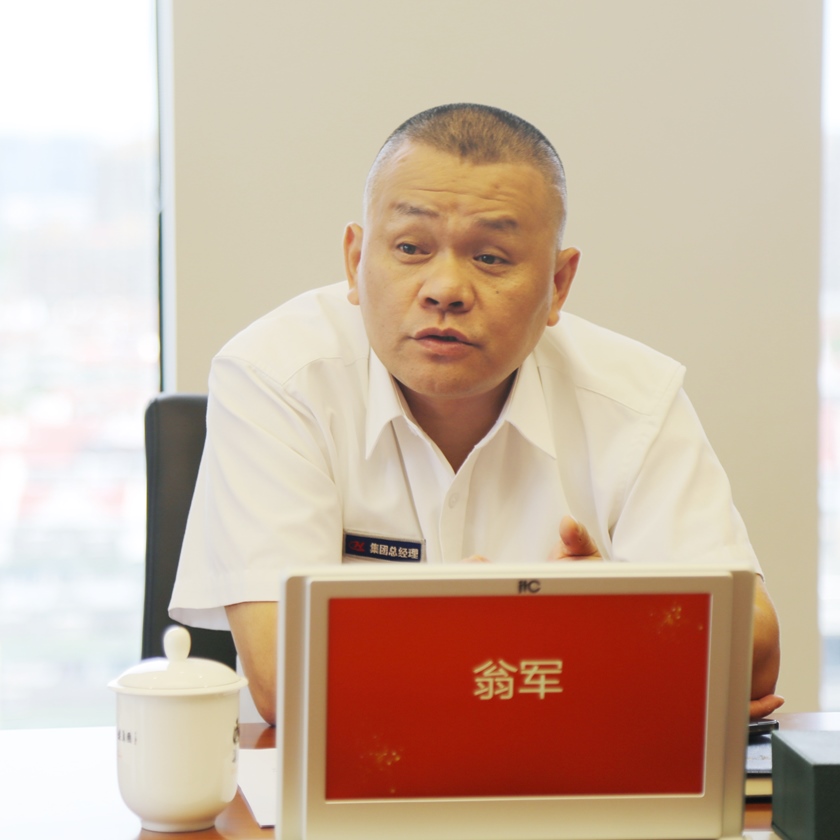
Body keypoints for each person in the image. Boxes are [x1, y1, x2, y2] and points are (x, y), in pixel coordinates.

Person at [170, 103, 782, 725]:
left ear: (558, 284)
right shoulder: (276, 376)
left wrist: (606, 614)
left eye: (490, 257)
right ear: (355, 261)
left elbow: (753, 653)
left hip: (563, 771)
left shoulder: (635, 398)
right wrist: (600, 641)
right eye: (411, 247)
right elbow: (287, 677)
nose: (445, 290)